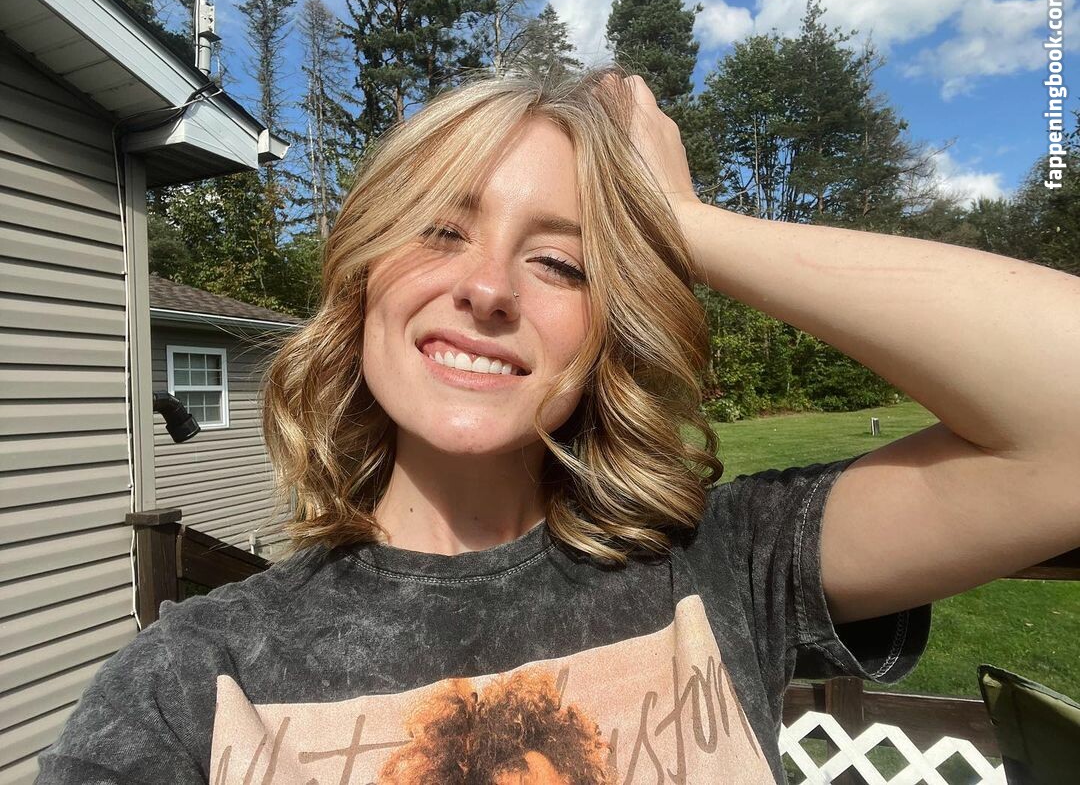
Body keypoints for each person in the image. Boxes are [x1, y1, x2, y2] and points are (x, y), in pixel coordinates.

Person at [35, 65, 1080, 784]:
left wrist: (685, 225)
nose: (489, 288)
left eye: (559, 261)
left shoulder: (723, 564)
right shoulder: (192, 684)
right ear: (360, 284)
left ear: (606, 331)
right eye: (439, 230)